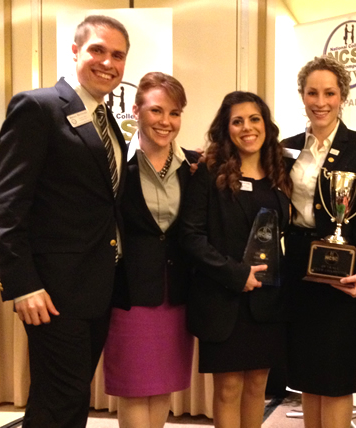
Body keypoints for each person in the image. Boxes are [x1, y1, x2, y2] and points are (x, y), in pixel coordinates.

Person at [0, 15, 130, 428]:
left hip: (96, 287)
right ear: (75, 51)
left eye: (117, 55)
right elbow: (5, 203)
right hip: (51, 292)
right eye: (97, 50)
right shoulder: (39, 107)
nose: (108, 62)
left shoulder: (109, 123)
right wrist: (23, 283)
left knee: (65, 398)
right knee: (62, 398)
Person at [180, 91, 291, 428]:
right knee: (228, 388)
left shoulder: (280, 173)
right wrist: (235, 273)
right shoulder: (208, 172)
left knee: (259, 384)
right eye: (237, 121)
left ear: (266, 125)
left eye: (254, 119)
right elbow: (191, 236)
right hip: (223, 299)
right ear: (226, 128)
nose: (247, 128)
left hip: (268, 300)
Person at [283, 55, 356, 428]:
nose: (320, 101)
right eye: (312, 92)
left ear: (343, 97)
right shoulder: (286, 147)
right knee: (308, 376)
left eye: (329, 93)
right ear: (302, 95)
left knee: (337, 379)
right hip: (297, 269)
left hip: (344, 271)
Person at [103, 72, 199, 428]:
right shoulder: (115, 168)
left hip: (175, 294)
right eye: (156, 110)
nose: (165, 121)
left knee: (162, 389)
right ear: (136, 110)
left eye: (174, 113)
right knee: (133, 388)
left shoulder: (194, 168)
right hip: (129, 294)